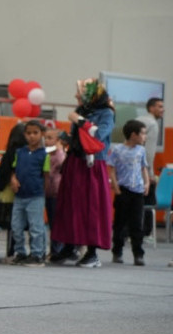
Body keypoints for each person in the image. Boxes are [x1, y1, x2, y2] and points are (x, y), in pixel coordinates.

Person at [50, 78, 115, 268]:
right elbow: (78, 138)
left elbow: (99, 135)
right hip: (75, 161)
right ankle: (70, 246)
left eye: (80, 92)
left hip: (92, 165)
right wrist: (64, 137)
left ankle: (92, 253)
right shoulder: (80, 111)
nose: (76, 95)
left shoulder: (106, 113)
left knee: (91, 207)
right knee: (70, 205)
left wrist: (79, 121)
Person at [107, 119, 149, 266]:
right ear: (133, 135)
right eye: (143, 134)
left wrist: (147, 182)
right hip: (123, 191)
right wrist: (116, 187)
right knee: (120, 223)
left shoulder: (141, 150)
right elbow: (111, 168)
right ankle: (117, 251)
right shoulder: (118, 149)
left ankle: (138, 253)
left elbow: (143, 167)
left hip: (137, 191)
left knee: (137, 224)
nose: (145, 137)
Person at [9, 119, 50, 267]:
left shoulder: (44, 154)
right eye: (28, 133)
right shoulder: (20, 152)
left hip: (35, 196)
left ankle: (38, 254)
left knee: (36, 227)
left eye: (35, 133)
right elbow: (14, 170)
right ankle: (20, 253)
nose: (31, 136)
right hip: (19, 196)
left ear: (42, 134)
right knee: (16, 226)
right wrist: (13, 179)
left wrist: (42, 195)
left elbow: (46, 177)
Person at [0, 123, 26, 262]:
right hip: (18, 194)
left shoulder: (11, 151)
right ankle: (10, 252)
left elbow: (3, 172)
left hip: (4, 193)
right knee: (13, 225)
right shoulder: (26, 151)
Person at [136, 97, 163, 244]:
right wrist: (150, 174)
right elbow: (149, 152)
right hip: (144, 170)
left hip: (132, 169)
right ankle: (146, 233)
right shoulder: (152, 124)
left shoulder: (138, 119)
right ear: (151, 108)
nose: (162, 109)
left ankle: (131, 232)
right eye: (159, 106)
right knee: (149, 201)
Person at [44, 127, 66, 256]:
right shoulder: (47, 153)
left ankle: (57, 249)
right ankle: (55, 248)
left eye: (50, 138)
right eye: (45, 138)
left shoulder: (59, 154)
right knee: (52, 221)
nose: (47, 141)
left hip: (57, 192)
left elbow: (62, 163)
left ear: (58, 140)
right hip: (48, 191)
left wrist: (59, 148)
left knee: (56, 222)